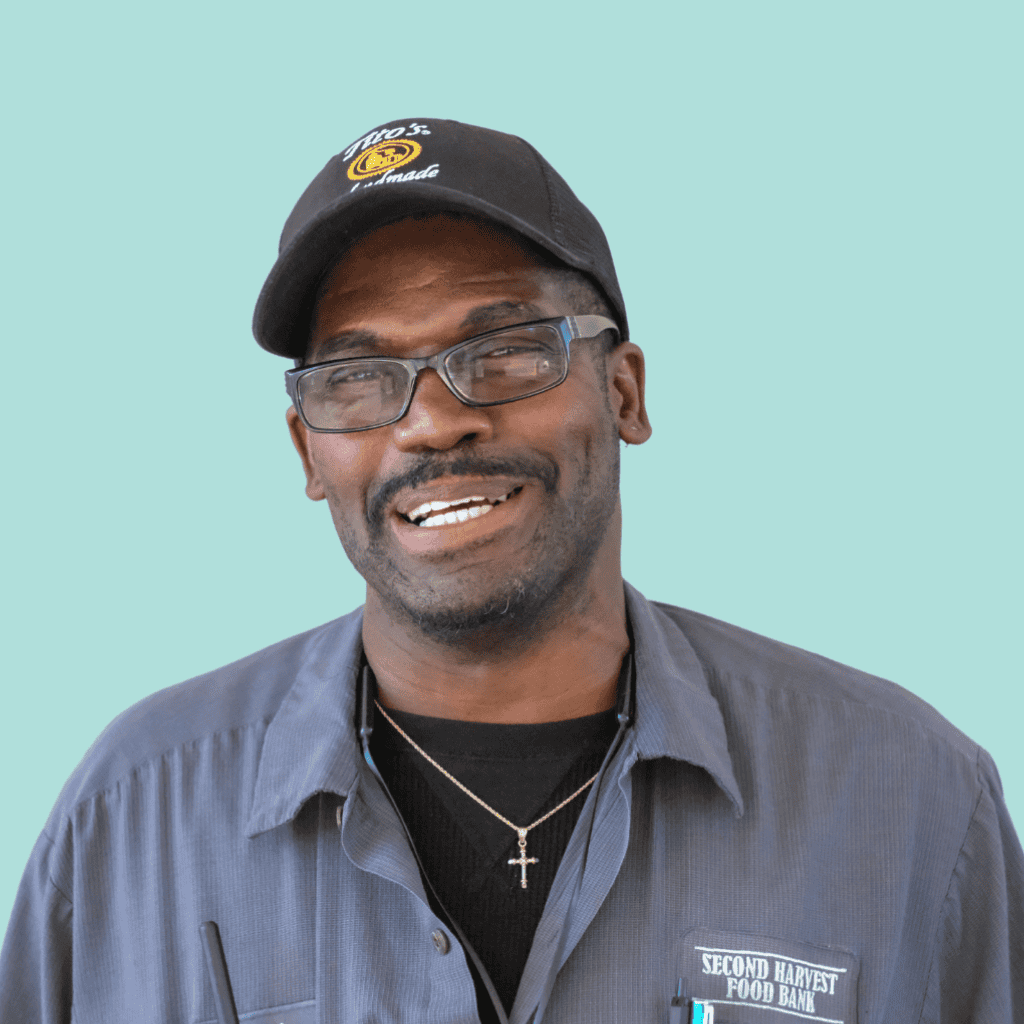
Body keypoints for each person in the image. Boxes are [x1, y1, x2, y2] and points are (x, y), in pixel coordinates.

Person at [1, 117, 1021, 1024]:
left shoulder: (910, 801)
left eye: (502, 349)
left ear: (623, 391)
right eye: (359, 378)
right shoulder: (131, 817)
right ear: (308, 452)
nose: (435, 419)